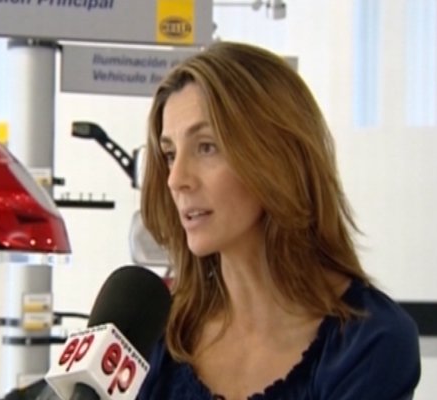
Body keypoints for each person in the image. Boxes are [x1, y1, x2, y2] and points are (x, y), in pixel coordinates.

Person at [137, 41, 420, 400]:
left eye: (206, 147)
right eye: (169, 154)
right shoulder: (160, 333)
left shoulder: (368, 342)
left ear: (277, 157)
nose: (176, 179)